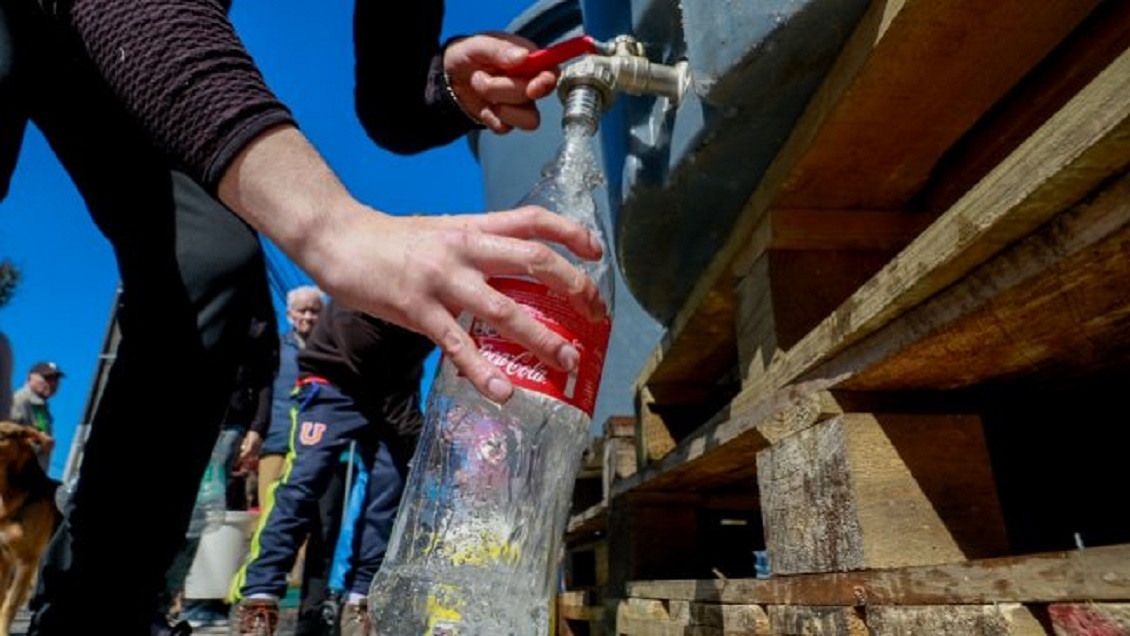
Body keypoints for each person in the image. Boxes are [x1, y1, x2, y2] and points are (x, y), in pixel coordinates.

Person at [0, 2, 606, 634]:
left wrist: (444, 84)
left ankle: (91, 613)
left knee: (207, 261)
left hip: (114, 38)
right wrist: (330, 225)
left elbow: (392, 103)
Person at [229, 300, 436, 636]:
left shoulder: (449, 302)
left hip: (394, 389)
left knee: (388, 493)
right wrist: (415, 436)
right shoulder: (368, 298)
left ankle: (363, 599)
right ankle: (260, 595)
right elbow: (375, 371)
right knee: (303, 482)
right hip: (333, 382)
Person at [9, 360, 63, 472]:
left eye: (56, 379)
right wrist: (40, 443)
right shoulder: (20, 400)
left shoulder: (41, 408)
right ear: (30, 377)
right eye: (47, 378)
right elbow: (6, 436)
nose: (52, 383)